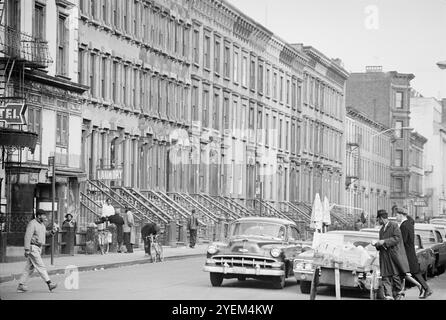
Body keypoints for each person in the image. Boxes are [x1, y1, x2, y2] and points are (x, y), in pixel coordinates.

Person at [17, 209, 58, 293]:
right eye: (44, 215)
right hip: (33, 248)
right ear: (39, 216)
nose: (45, 217)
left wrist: (52, 232)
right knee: (41, 266)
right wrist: (27, 249)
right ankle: (49, 284)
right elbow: (27, 236)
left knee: (29, 268)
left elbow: (44, 234)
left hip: (38, 248)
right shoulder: (32, 224)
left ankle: (21, 285)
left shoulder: (42, 224)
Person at [372, 209, 410, 300]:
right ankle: (388, 295)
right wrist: (377, 244)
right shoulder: (381, 230)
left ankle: (398, 293)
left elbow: (397, 238)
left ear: (381, 218)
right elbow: (381, 244)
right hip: (384, 256)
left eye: (378, 220)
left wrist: (384, 241)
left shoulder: (394, 225)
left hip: (393, 256)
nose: (378, 222)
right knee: (385, 276)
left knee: (395, 275)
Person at [396, 208, 433, 299]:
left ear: (401, 215)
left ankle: (425, 288)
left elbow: (403, 241)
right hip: (410, 252)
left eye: (396, 215)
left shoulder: (404, 225)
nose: (396, 217)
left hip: (407, 254)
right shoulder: (409, 223)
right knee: (410, 273)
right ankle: (423, 288)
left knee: (408, 272)